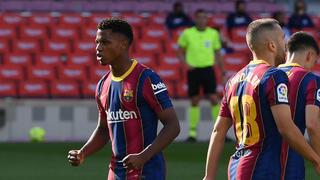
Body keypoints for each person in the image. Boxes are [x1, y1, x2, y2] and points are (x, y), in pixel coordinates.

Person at [203, 18, 320, 180]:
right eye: (282, 39)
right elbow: (286, 128)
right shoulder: (274, 76)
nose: (285, 45)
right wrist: (316, 159)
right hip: (263, 167)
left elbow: (218, 131)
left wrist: (208, 176)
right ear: (272, 45)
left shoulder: (233, 81)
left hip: (236, 168)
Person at [67, 18, 180, 180]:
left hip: (146, 172)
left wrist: (143, 156)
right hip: (116, 173)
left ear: (123, 44)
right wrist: (83, 152)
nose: (98, 48)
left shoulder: (146, 78)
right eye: (97, 42)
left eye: (105, 42)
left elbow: (173, 125)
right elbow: (103, 129)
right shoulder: (102, 85)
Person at [177, 9, 224, 142]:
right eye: (200, 17)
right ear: (195, 19)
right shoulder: (187, 33)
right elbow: (179, 51)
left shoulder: (213, 33)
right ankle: (192, 133)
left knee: (214, 98)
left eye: (205, 17)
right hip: (193, 70)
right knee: (194, 100)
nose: (202, 20)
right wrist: (185, 64)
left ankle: (220, 132)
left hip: (208, 69)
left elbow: (218, 53)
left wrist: (223, 71)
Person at [278, 32, 320, 180]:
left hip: (259, 158)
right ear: (309, 55)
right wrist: (318, 159)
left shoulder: (267, 75)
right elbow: (312, 125)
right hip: (290, 157)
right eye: (314, 62)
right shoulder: (311, 80)